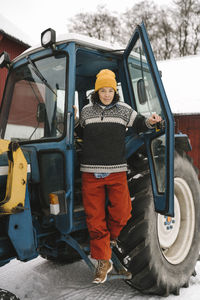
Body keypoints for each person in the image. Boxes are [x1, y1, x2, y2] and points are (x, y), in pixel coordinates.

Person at [74, 69, 162, 284]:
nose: (106, 94)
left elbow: (141, 124)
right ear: (97, 92)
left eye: (110, 90)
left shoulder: (123, 110)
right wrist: (74, 120)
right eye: (103, 90)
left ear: (115, 91)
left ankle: (110, 240)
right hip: (90, 173)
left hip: (116, 171)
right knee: (95, 220)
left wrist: (151, 121)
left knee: (123, 212)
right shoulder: (86, 111)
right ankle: (103, 262)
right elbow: (81, 133)